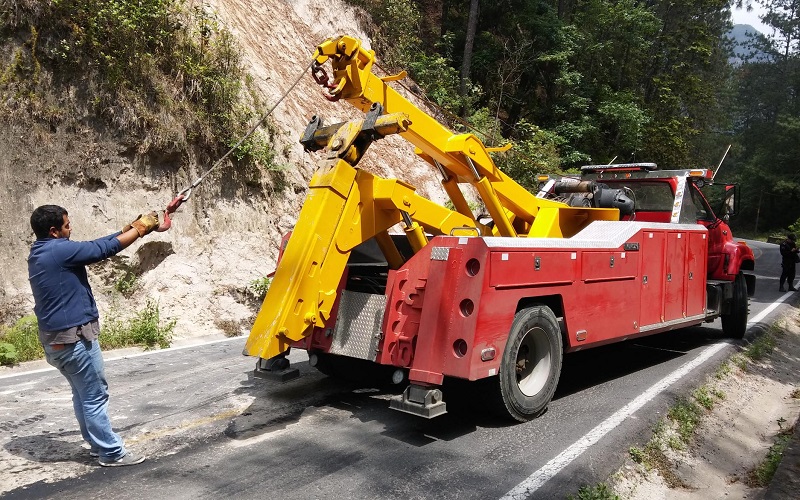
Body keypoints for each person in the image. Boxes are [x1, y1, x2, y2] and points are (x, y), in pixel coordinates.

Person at [27, 205, 163, 466]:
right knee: (94, 396)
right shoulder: (59, 250)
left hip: (56, 341)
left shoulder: (42, 251)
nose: (71, 228)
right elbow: (102, 250)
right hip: (74, 340)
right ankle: (111, 452)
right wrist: (140, 228)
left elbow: (92, 245)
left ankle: (95, 443)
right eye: (67, 225)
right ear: (54, 231)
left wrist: (129, 230)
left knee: (82, 394)